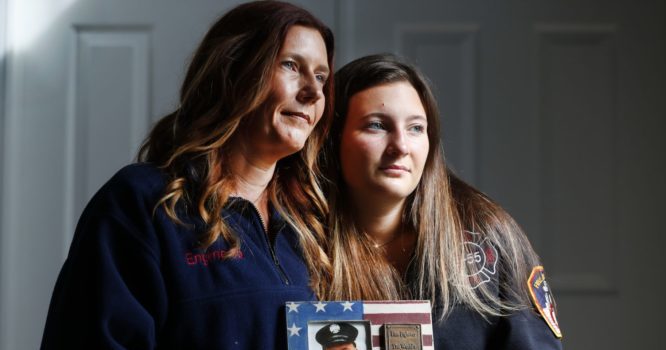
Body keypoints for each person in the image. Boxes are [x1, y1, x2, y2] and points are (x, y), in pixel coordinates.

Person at [41, 1, 334, 348]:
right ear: (233, 71)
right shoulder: (142, 204)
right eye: (290, 65)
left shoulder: (312, 225)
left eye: (320, 77)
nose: (314, 92)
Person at [320, 54, 563, 349]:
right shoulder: (300, 242)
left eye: (415, 128)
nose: (401, 146)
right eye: (377, 125)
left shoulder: (486, 239)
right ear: (332, 138)